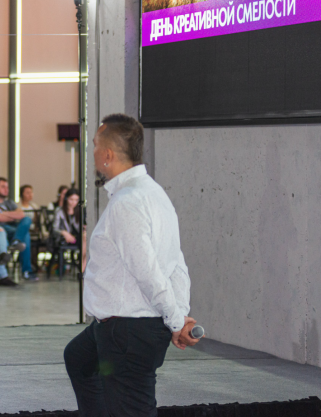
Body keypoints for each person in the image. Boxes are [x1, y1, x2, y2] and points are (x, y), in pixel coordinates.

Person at [63, 114, 200, 416]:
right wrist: (179, 314)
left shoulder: (127, 202)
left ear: (107, 155)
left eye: (95, 145)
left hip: (128, 332)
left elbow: (148, 271)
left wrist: (176, 321)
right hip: (122, 326)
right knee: (78, 359)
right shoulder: (154, 193)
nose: (93, 151)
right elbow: (176, 262)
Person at [0, 178, 33, 280]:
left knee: (27, 219)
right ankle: (27, 270)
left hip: (13, 230)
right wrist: (12, 216)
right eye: (3, 187)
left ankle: (16, 241)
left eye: (7, 187)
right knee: (26, 235)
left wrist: (2, 214)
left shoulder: (10, 203)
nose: (6, 189)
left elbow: (21, 214)